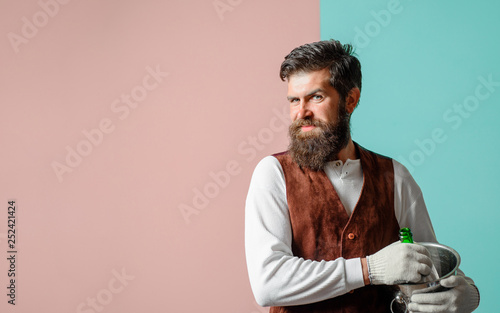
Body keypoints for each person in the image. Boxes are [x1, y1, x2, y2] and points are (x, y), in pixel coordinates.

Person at [244, 39, 480, 313]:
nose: (302, 113)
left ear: (351, 100)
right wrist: (371, 269)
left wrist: (467, 295)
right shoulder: (273, 174)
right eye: (294, 100)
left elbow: (430, 268)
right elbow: (268, 283)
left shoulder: (395, 177)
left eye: (316, 97)